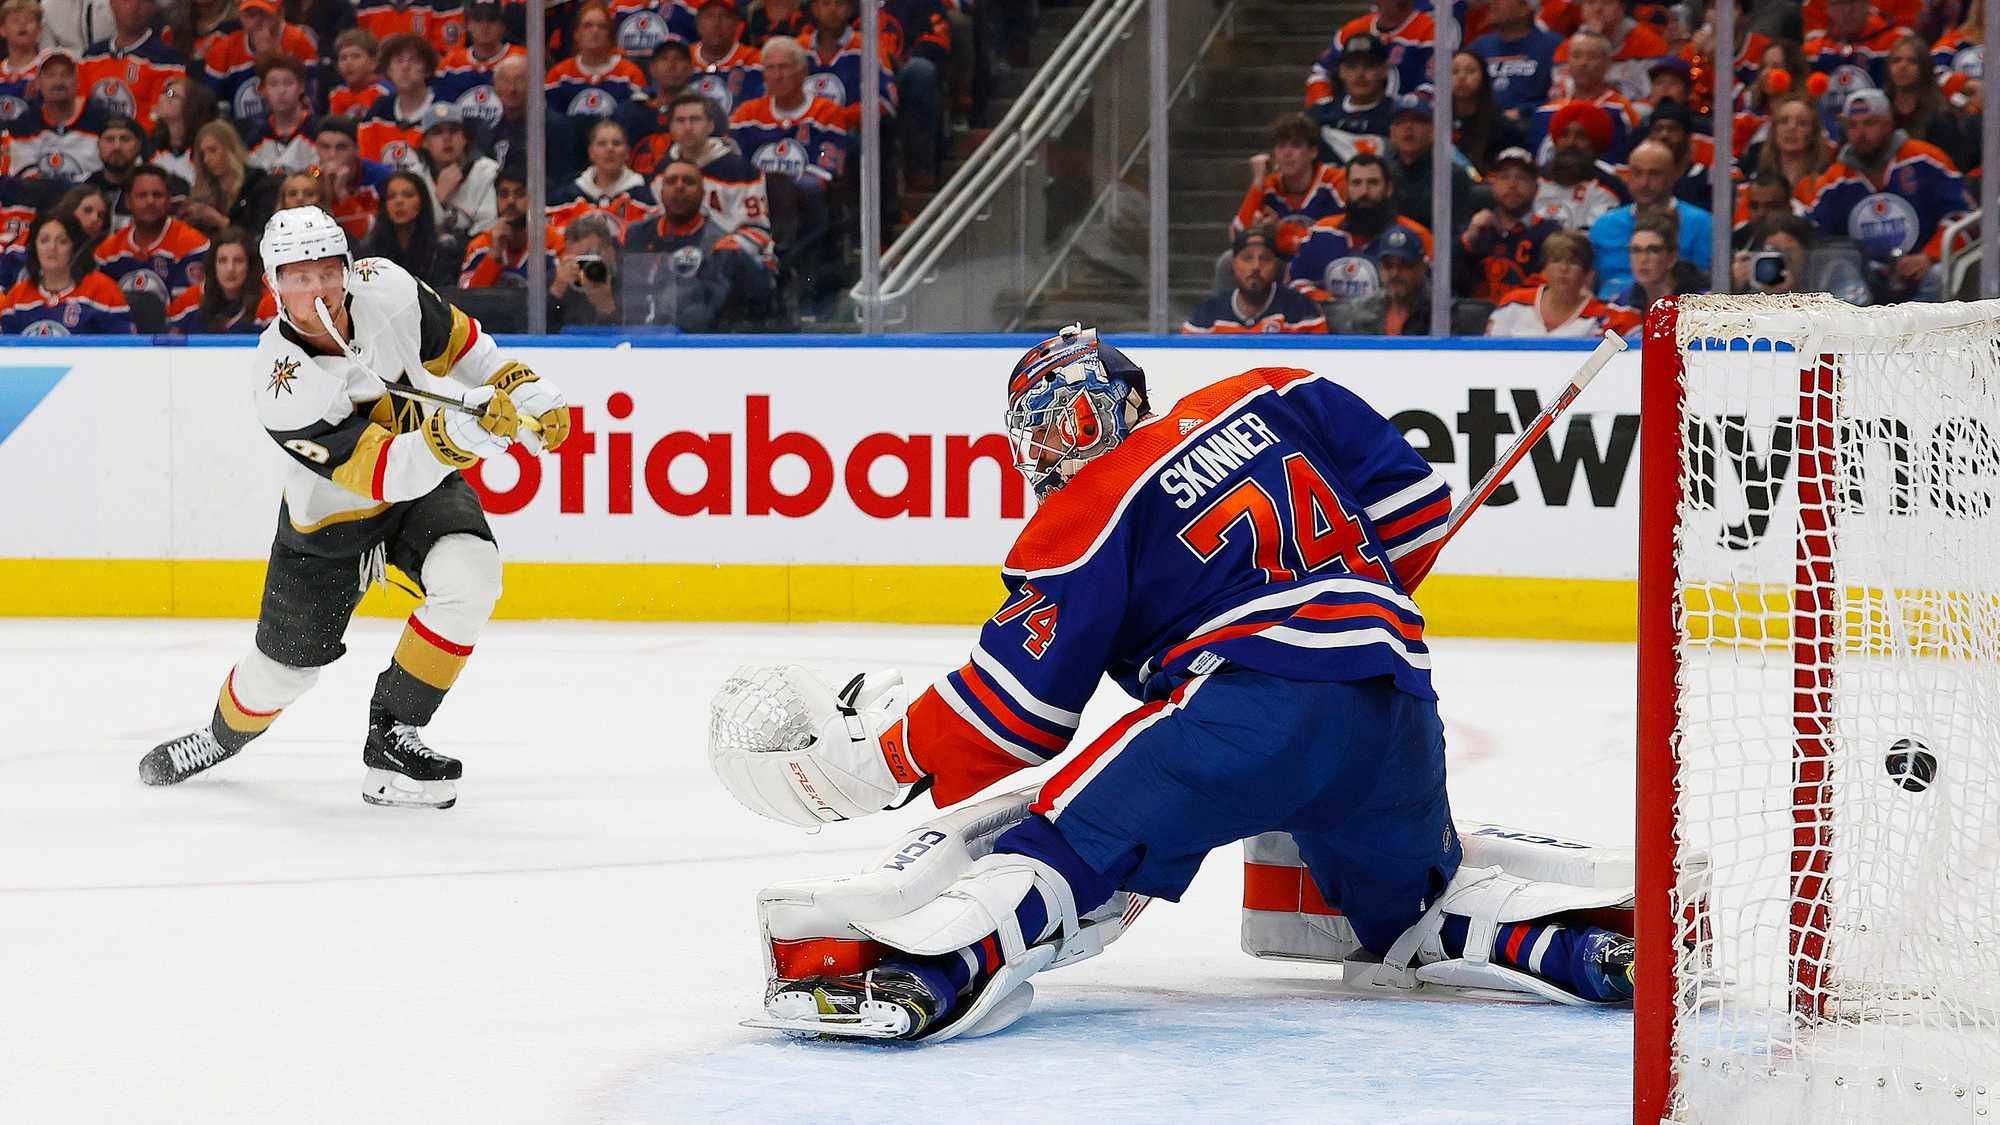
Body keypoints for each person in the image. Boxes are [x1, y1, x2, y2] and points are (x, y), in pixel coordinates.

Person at [714, 325, 1638, 1041]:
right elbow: (1416, 511)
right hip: (1395, 705)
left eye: (1051, 428)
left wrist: (879, 759)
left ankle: (932, 970)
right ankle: (1583, 949)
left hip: (1246, 712)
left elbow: (1016, 712)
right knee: (1412, 910)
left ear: (1081, 421)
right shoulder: (1273, 390)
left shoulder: (1087, 508)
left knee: (1062, 845)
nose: (1048, 450)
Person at [135, 205, 571, 809]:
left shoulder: (385, 286)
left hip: (421, 488)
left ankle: (393, 738)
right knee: (281, 674)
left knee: (471, 576)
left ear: (347, 267)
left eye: (326, 271)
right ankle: (218, 737)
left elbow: (462, 345)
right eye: (298, 277)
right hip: (331, 520)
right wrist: (459, 437)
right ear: (273, 285)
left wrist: (524, 386)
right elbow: (379, 472)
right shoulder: (281, 383)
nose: (317, 289)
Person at [1804, 88, 1968, 302]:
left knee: (1938, 276)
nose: (1860, 133)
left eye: (1869, 123)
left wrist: (1929, 256)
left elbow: (1961, 216)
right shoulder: (1836, 180)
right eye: (1852, 125)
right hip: (1866, 277)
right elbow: (1811, 230)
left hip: (1924, 267)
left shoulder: (1925, 159)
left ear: (1889, 124)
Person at [626, 158, 776, 330]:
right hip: (637, 335)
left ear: (703, 193)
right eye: (671, 181)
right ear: (661, 191)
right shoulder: (635, 235)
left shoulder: (722, 246)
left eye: (688, 181)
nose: (679, 187)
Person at [1286, 153, 1432, 304]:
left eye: (1373, 183)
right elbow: (1296, 282)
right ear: (1346, 189)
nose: (1364, 192)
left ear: (1388, 189)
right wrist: (1330, 303)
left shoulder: (1416, 236)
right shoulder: (1321, 232)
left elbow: (1431, 293)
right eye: (1356, 183)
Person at [1587, 139, 1711, 297]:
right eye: (1637, 173)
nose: (1644, 183)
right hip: (1608, 309)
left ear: (1674, 175)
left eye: (1654, 174)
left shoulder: (1702, 224)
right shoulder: (1604, 225)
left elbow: (1706, 285)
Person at [92, 160, 208, 328]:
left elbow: (186, 313)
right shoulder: (108, 252)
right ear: (128, 201)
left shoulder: (192, 244)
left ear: (169, 199)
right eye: (142, 195)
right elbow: (102, 310)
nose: (150, 201)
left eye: (157, 195)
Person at [648, 90, 769, 232]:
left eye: (695, 119)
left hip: (727, 243)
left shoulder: (742, 171)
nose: (688, 127)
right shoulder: (661, 171)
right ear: (671, 127)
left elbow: (756, 230)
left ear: (710, 126)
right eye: (680, 120)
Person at [1487, 228, 1640, 336]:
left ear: (1587, 273)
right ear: (1544, 268)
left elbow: (1637, 339)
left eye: (1573, 262)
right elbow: (1490, 353)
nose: (1564, 269)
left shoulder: (1603, 316)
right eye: (1556, 260)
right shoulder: (1514, 303)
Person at [0, 211, 133, 333]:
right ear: (34, 247)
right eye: (44, 240)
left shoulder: (104, 290)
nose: (52, 247)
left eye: (62, 241)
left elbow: (123, 346)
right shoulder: (17, 297)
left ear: (75, 247)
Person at [1232, 113, 1344, 256]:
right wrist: (1258, 181)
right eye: (1281, 146)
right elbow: (1238, 236)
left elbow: (1338, 239)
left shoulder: (1335, 181)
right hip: (1281, 260)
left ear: (1313, 152)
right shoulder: (1268, 186)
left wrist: (1280, 230)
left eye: (1296, 145)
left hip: (1325, 260)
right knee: (1229, 260)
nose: (1287, 153)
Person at [1182, 225, 1326, 334]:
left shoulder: (1301, 308)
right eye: (1247, 258)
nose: (1256, 266)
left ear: (1276, 266)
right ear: (1233, 265)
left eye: (1265, 259)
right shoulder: (1208, 312)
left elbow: (1319, 359)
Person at [1460, 146, 1560, 300]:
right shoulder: (1474, 228)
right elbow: (1448, 280)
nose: (1512, 185)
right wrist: (1470, 238)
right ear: (1493, 185)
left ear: (1536, 188)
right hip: (1473, 312)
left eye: (1521, 177)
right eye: (1504, 177)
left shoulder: (1550, 234)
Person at [1531, 30, 1638, 163]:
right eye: (1576, 56)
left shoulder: (1622, 111)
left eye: (1592, 57)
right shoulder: (1546, 112)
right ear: (1568, 61)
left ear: (1608, 63)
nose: (1583, 63)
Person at [76, 0, 185, 130]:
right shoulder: (90, 57)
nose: (135, 6)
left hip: (145, 139)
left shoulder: (169, 60)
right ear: (112, 4)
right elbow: (78, 104)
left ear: (153, 7)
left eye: (143, 1)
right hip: (91, 139)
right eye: (127, 0)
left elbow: (169, 102)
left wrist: (136, 137)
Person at [547, 116, 660, 241]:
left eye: (616, 143)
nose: (609, 149)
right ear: (591, 152)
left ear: (627, 152)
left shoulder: (647, 198)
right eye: (602, 144)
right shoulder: (565, 198)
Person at [5, 48, 109, 183]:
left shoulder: (100, 119)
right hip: (40, 195)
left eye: (66, 75)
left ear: (77, 81)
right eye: (50, 75)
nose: (58, 82)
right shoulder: (24, 123)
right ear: (38, 83)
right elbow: (25, 179)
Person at [202, 0, 317, 122]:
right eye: (251, 15)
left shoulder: (299, 43)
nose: (258, 21)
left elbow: (310, 105)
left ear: (280, 14)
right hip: (237, 129)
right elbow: (212, 110)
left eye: (264, 14)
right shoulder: (223, 50)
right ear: (240, 16)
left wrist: (270, 59)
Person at [1309, 0, 1435, 106]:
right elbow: (1320, 72)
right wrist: (1323, 106)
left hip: (1402, 119)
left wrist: (1404, 109)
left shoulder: (1430, 31)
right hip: (1349, 115)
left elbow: (1431, 86)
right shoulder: (1352, 30)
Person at [458, 160, 560, 288]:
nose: (510, 201)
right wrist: (493, 255)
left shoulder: (554, 243)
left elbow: (561, 294)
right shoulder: (479, 246)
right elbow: (467, 296)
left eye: (520, 194)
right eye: (503, 194)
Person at [1384, 92, 1474, 234]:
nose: (1408, 127)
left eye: (1418, 121)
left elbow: (1459, 231)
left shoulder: (1451, 176)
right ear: (1392, 132)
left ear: (1433, 130)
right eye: (1400, 121)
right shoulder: (1383, 173)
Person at [357, 169, 459, 291]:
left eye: (408, 195)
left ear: (422, 202)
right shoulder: (371, 249)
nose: (399, 201)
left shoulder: (441, 248)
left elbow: (446, 294)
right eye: (391, 197)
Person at [1883, 32, 1972, 173]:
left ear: (1924, 67)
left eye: (1912, 61)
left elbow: (1949, 166)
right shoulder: (1879, 110)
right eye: (1896, 60)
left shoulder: (1942, 117)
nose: (1902, 66)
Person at [407, 101, 497, 240]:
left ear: (465, 138)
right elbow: (412, 231)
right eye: (437, 132)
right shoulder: (414, 177)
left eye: (454, 131)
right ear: (425, 143)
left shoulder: (488, 171)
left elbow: (489, 225)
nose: (447, 139)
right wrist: (438, 200)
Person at [545, 0, 649, 119]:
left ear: (610, 35)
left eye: (602, 26)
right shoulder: (558, 75)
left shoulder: (630, 74)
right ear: (576, 34)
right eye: (588, 25)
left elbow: (638, 120)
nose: (594, 31)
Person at [490, 54, 583, 183]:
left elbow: (560, 180)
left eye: (520, 80)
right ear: (495, 87)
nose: (512, 89)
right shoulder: (490, 129)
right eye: (505, 81)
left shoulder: (555, 128)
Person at [1308, 30, 1394, 162]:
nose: (1360, 74)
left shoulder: (1398, 116)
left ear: (1384, 70)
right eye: (1352, 66)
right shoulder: (1318, 114)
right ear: (1341, 71)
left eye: (1369, 66)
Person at [1329, 224, 1432, 335]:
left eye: (1404, 265)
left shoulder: (1440, 311)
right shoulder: (1363, 309)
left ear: (1422, 267)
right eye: (1388, 265)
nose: (1395, 273)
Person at [1469, 0, 1563, 121]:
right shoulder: (1479, 47)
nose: (1493, 2)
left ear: (1524, 8)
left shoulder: (1553, 46)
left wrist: (1525, 111)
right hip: (1485, 125)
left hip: (1533, 124)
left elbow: (1561, 96)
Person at [183, 117, 277, 236]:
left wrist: (219, 221)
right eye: (203, 154)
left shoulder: (257, 183)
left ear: (230, 149)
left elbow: (259, 232)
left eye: (212, 150)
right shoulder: (205, 192)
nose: (207, 159)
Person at [311, 114, 393, 242]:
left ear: (357, 149)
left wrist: (342, 193)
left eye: (341, 147)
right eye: (325, 147)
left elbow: (369, 233)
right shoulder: (311, 176)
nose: (332, 155)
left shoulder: (381, 177)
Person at [1449, 48, 1526, 170]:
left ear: (1483, 77)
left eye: (1470, 71)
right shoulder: (1435, 124)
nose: (1461, 77)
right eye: (1454, 71)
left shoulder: (1502, 127)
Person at [241, 51, 316, 174]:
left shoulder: (316, 131)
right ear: (263, 90)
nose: (281, 91)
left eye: (288, 83)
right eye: (273, 84)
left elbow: (321, 171)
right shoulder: (256, 137)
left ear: (301, 87)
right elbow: (249, 174)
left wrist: (311, 174)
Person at [685, 0, 763, 117]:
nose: (717, 23)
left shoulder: (755, 60)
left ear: (736, 24)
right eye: (710, 16)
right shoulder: (683, 57)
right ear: (698, 24)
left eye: (724, 16)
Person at [192, 223, 276, 332]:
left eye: (238, 261)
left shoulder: (269, 304)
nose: (230, 269)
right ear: (213, 265)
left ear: (250, 265)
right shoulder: (191, 301)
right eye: (222, 260)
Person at [1802, 0, 1901, 91]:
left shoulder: (1895, 45)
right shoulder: (1812, 52)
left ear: (1868, 4)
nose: (1847, 10)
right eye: (1839, 3)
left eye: (1853, 2)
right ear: (1827, 8)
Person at [1612, 212, 1702, 311]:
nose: (1643, 259)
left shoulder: (1700, 306)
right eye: (1636, 250)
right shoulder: (1622, 304)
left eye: (1653, 250)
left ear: (1672, 257)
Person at [1750, 92, 1833, 199]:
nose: (1792, 127)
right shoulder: (1755, 179)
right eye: (1784, 121)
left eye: (1802, 123)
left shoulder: (1828, 184)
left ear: (1813, 132)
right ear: (1774, 130)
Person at [549, 209, 622, 326]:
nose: (585, 264)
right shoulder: (556, 281)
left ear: (610, 252)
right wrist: (556, 292)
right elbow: (539, 330)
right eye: (578, 260)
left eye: (590, 255)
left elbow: (638, 330)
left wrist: (606, 305)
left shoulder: (631, 283)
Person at [146, 73, 215, 184]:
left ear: (191, 106)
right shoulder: (148, 147)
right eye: (165, 92)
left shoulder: (205, 152)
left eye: (171, 94)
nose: (162, 98)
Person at [328, 28, 392, 119]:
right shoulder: (337, 94)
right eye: (343, 58)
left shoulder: (385, 92)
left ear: (373, 63)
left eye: (356, 56)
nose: (348, 63)